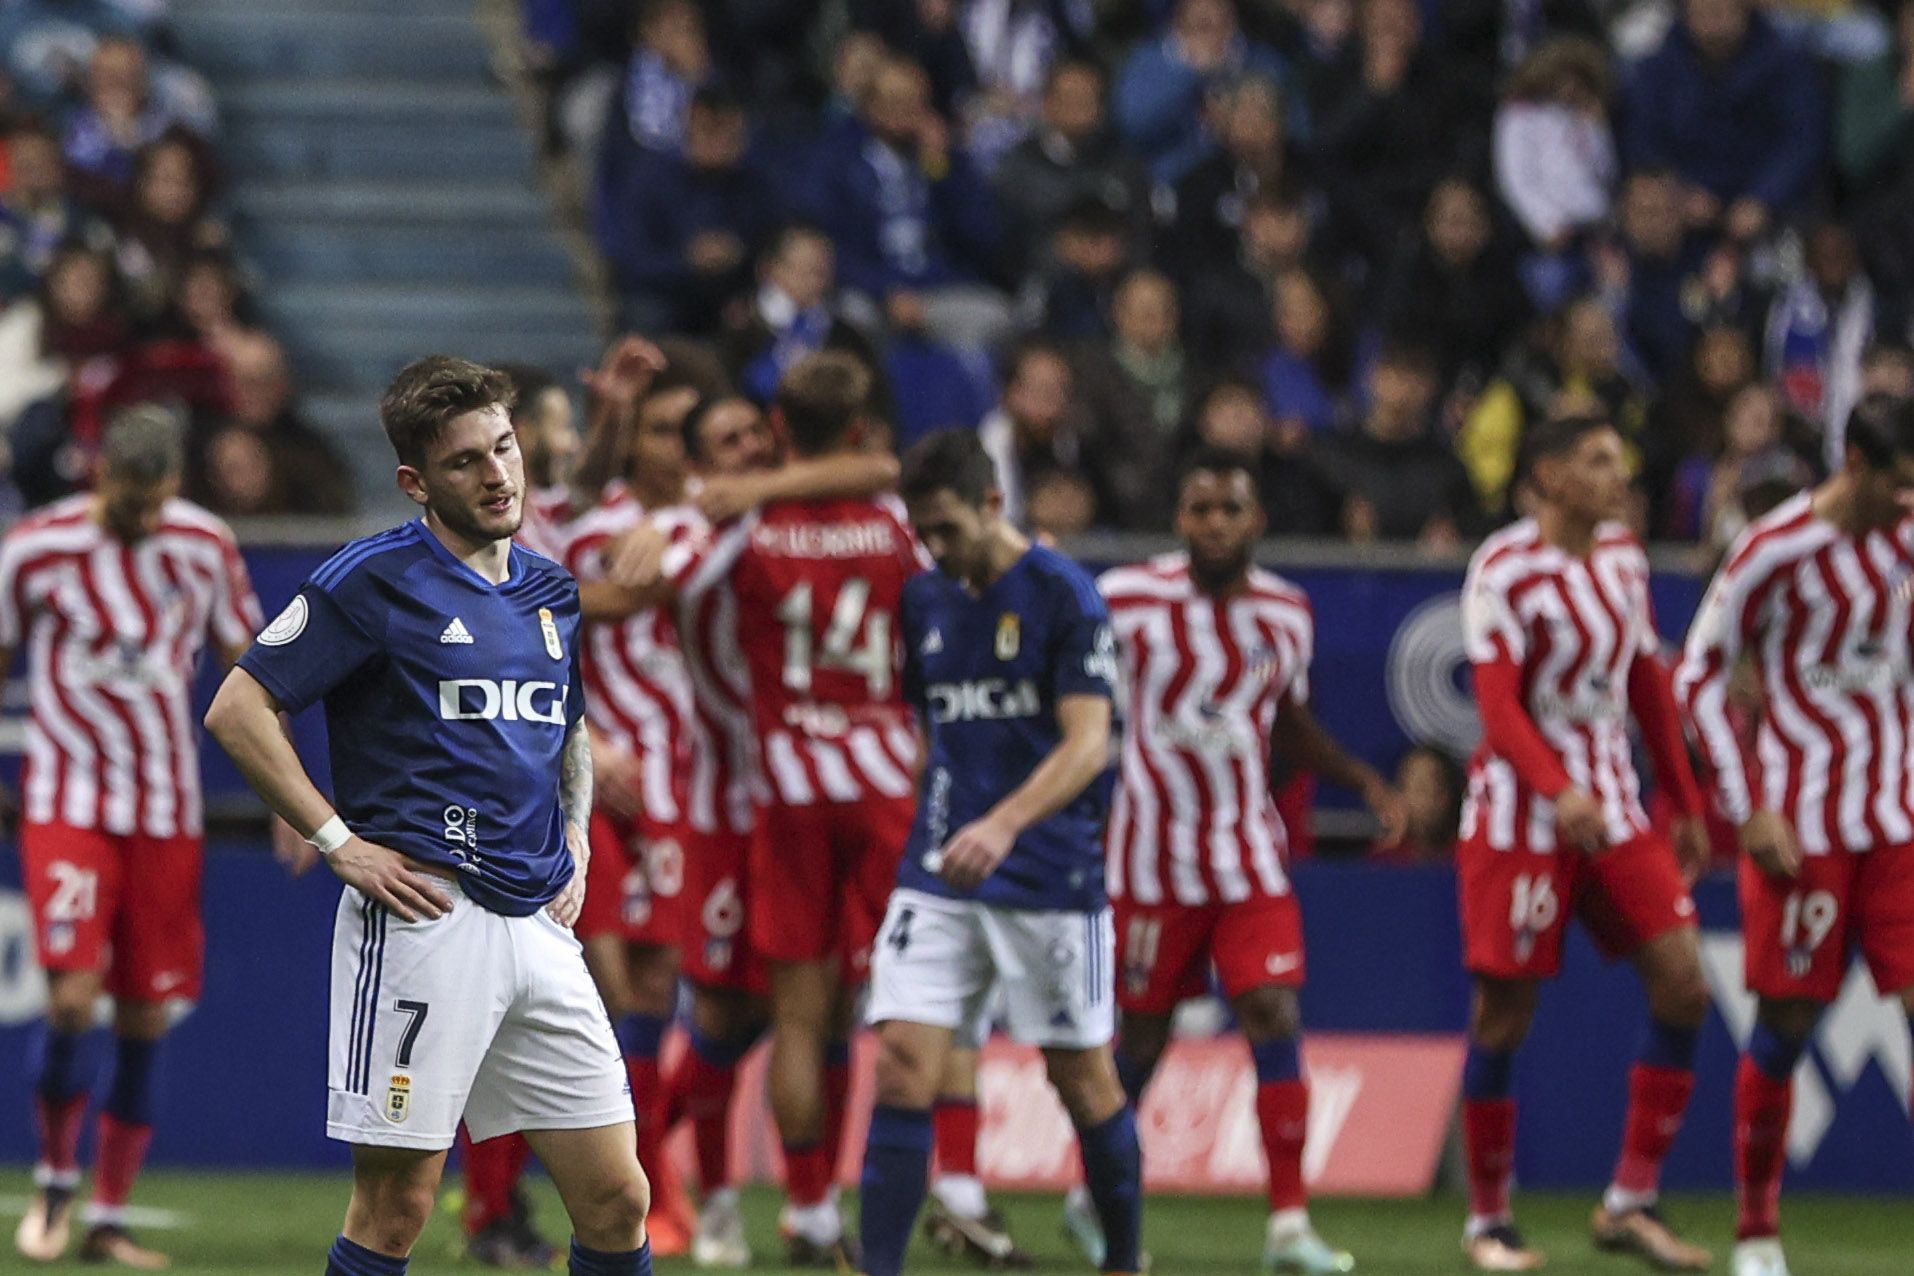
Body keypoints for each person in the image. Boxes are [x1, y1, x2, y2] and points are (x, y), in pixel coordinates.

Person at [202, 356, 655, 1276]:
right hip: (425, 919)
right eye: (466, 462)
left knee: (617, 1199)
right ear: (416, 481)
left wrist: (573, 830)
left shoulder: (549, 589)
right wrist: (338, 843)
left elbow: (563, 723)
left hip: (537, 923)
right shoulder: (371, 579)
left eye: (505, 447)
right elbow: (239, 710)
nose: (498, 475)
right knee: (396, 1209)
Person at [632, 352, 922, 1266]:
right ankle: (891, 1195)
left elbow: (641, 577)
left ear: (782, 432)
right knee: (847, 1014)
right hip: (871, 782)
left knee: (799, 1016)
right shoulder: (890, 521)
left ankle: (804, 1206)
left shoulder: (741, 528)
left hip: (780, 786)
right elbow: (885, 479)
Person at [1092, 446, 1403, 1274]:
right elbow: (1075, 698)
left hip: (1247, 857)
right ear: (1180, 520)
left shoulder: (1287, 611)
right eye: (1200, 510)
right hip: (1150, 862)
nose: (1216, 525)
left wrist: (1360, 777)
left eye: (1230, 510)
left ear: (1256, 521)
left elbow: (1285, 719)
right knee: (1143, 1045)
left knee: (1272, 1011)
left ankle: (1290, 1227)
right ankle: (1095, 1195)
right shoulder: (1126, 599)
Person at [856, 426, 1142, 1276]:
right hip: (941, 870)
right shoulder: (925, 599)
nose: (936, 550)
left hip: (1048, 873)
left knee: (1081, 1081)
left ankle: (1124, 1260)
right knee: (905, 1064)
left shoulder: (1065, 594)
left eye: (948, 529)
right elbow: (933, 727)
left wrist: (1006, 821)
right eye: (923, 533)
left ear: (992, 503)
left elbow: (1088, 744)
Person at [8, 406, 269, 1268]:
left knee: (147, 1013)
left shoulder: (204, 546)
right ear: (100, 475)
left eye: (160, 501)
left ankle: (109, 1217)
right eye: (134, 500)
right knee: (74, 999)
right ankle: (52, 1187)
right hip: (69, 802)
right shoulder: (36, 548)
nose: (148, 519)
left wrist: (288, 795)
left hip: (166, 808)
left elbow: (253, 662)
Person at [1457, 414, 1714, 1273]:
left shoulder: (1623, 557)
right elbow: (1497, 708)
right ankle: (1488, 1219)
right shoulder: (1504, 569)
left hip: (1617, 809)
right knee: (1506, 1014)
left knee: (1684, 987)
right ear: (1551, 475)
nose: (1619, 472)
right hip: (1522, 817)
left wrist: (1680, 794)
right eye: (1599, 460)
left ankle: (1629, 1203)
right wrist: (1556, 789)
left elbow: (1645, 678)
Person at [1675, 393, 1914, 1276]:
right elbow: (1695, 676)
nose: (1908, 503)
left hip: (1897, 820)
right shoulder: (1774, 552)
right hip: (1802, 828)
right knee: (1784, 1029)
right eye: (1898, 485)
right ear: (1855, 465)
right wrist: (1747, 808)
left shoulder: (1908, 540)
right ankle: (1757, 1230)